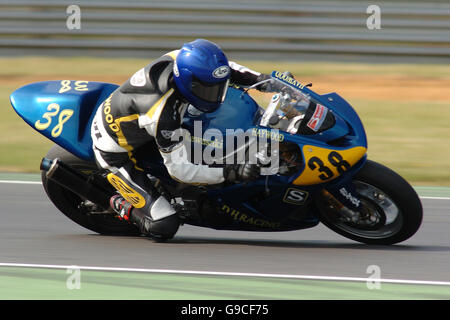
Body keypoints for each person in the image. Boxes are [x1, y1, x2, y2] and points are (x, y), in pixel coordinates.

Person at [90, 39, 273, 240]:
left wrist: (265, 80)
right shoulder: (163, 115)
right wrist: (230, 171)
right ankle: (115, 201)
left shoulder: (181, 59)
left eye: (218, 88)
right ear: (188, 82)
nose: (215, 96)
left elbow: (227, 69)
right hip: (116, 153)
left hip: (140, 125)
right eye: (207, 90)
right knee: (164, 224)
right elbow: (180, 171)